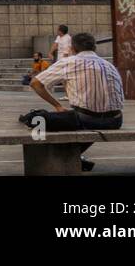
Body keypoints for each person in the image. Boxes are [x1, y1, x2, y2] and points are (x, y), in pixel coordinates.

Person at [22, 31, 123, 172]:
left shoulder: (69, 62)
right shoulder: (109, 65)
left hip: (85, 119)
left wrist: (57, 106)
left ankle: (62, 158)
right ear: (94, 48)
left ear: (72, 49)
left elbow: (35, 83)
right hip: (115, 121)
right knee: (77, 120)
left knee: (37, 119)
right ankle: (75, 156)